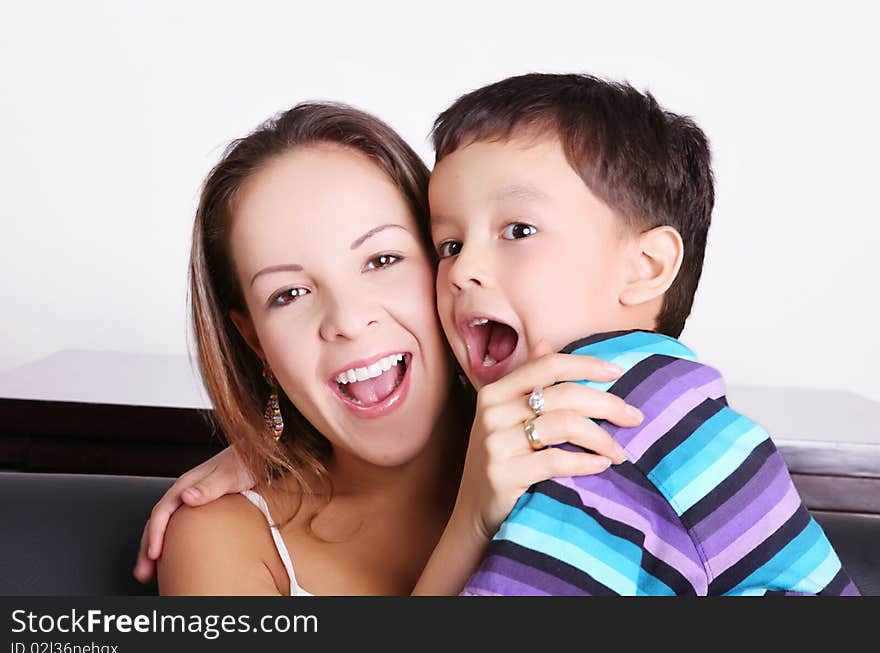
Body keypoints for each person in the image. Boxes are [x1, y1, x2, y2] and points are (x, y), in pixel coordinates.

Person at [150, 101, 637, 595]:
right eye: (288, 295)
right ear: (255, 339)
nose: (347, 319)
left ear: (451, 261)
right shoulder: (221, 541)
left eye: (382, 259)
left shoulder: (602, 459)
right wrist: (469, 527)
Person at [426, 72, 858, 595]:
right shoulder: (677, 402)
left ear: (646, 267)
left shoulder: (595, 435)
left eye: (518, 230)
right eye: (448, 244)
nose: (462, 268)